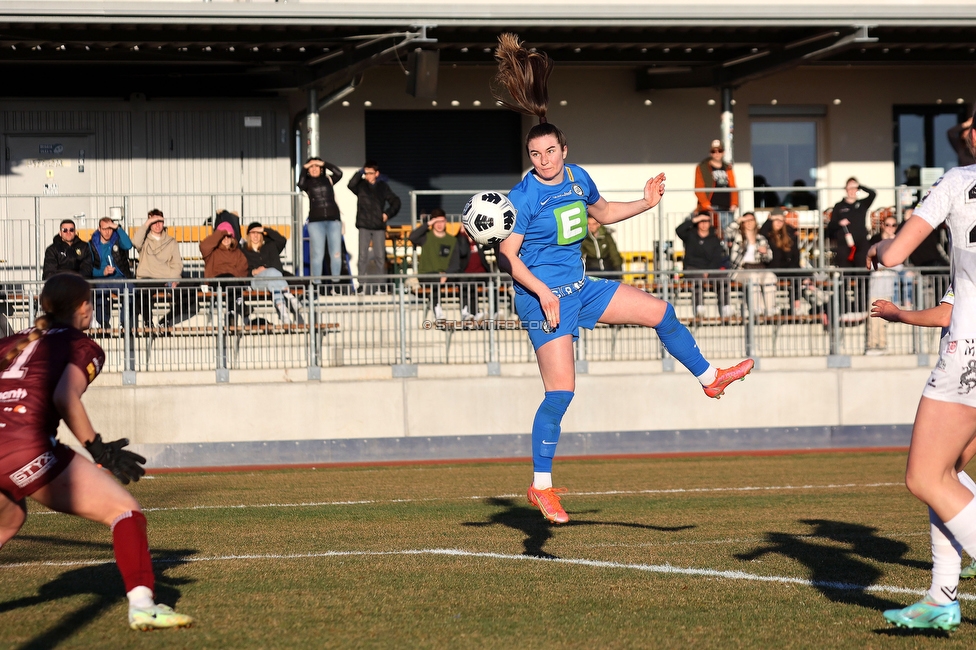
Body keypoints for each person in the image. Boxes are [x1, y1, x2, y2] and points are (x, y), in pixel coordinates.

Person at [492, 33, 753, 525]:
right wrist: (544, 292)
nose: (543, 159)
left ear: (564, 149)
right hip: (542, 299)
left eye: (550, 151)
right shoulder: (523, 197)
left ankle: (710, 379)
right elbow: (509, 257)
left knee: (660, 311)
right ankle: (541, 486)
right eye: (535, 153)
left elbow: (605, 211)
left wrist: (646, 202)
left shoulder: (577, 178)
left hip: (581, 289)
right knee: (561, 393)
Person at [0, 273, 193, 631]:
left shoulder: (12, 341)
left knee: (9, 519)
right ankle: (143, 605)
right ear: (84, 307)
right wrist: (99, 450)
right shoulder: (81, 344)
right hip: (23, 446)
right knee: (125, 511)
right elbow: (63, 396)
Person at [867, 113, 976, 632]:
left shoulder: (958, 181)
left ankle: (943, 593)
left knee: (923, 476)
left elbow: (895, 253)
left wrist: (879, 249)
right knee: (948, 472)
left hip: (969, 349)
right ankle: (942, 593)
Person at [131, 209, 193, 331]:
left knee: (191, 293)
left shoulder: (171, 241)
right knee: (142, 292)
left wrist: (175, 280)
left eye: (160, 221)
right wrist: (146, 224)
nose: (157, 225)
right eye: (154, 221)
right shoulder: (144, 240)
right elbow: (134, 242)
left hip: (166, 278)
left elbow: (177, 264)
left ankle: (165, 321)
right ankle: (148, 322)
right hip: (147, 277)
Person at [347, 160, 401, 291]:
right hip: (364, 225)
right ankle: (361, 284)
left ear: (377, 173)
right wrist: (359, 172)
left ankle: (381, 285)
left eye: (370, 173)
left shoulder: (383, 187)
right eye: (366, 173)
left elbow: (396, 201)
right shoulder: (360, 185)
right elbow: (350, 185)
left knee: (379, 256)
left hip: (378, 226)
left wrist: (387, 214)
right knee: (362, 256)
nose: (368, 176)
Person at [827, 177, 876, 317]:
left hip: (861, 245)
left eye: (855, 188)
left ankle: (861, 306)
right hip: (845, 246)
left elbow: (873, 194)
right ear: (845, 190)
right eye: (850, 188)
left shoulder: (862, 204)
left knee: (862, 275)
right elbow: (831, 226)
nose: (852, 191)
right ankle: (844, 307)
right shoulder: (839, 206)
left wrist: (860, 185)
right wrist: (839, 223)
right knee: (845, 277)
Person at [242, 221, 303, 325]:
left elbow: (282, 240)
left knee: (272, 282)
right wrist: (254, 271)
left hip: (272, 282)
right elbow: (241, 270)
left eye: (258, 233)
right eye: (253, 233)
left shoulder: (270, 245)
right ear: (248, 235)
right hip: (256, 282)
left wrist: (265, 229)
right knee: (273, 271)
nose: (256, 235)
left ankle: (284, 316)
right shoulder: (243, 250)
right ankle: (289, 296)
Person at [675, 211, 732, 317]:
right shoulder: (690, 235)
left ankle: (726, 307)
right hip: (693, 267)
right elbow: (679, 230)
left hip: (710, 269)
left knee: (723, 277)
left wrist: (708, 271)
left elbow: (717, 258)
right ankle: (699, 308)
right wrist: (693, 220)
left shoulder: (714, 238)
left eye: (706, 221)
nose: (704, 224)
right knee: (697, 278)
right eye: (701, 221)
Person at [297, 157, 344, 283]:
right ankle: (316, 283)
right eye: (311, 167)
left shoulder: (328, 179)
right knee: (317, 254)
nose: (314, 169)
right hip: (315, 222)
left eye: (316, 166)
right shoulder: (307, 183)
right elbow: (300, 184)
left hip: (333, 220)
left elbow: (339, 173)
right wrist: (304, 167)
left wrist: (324, 163)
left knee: (336, 253)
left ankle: (336, 282)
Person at [408, 209, 461, 320]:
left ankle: (468, 311)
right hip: (426, 275)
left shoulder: (452, 240)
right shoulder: (426, 237)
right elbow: (412, 237)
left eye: (441, 221)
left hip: (446, 276)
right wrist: (428, 224)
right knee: (435, 280)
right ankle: (438, 311)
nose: (439, 224)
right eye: (436, 221)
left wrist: (446, 274)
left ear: (446, 221)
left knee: (465, 279)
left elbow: (455, 263)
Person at [726, 212, 778, 317]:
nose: (749, 223)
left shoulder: (761, 238)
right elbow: (727, 231)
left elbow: (769, 257)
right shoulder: (737, 236)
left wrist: (765, 253)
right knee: (753, 278)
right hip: (741, 269)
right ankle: (757, 309)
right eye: (746, 221)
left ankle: (770, 309)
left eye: (751, 220)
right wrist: (737, 221)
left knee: (771, 277)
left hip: (759, 268)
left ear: (755, 222)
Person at [200, 222, 250, 325]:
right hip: (216, 282)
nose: (226, 239)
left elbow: (243, 269)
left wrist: (231, 273)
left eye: (229, 236)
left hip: (233, 282)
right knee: (229, 279)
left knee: (231, 281)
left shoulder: (237, 253)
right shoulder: (212, 252)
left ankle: (230, 314)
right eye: (223, 236)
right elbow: (203, 246)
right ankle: (240, 304)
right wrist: (221, 233)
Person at [89, 216, 134, 331]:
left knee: (130, 289)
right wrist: (102, 272)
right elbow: (88, 267)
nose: (108, 232)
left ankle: (124, 322)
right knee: (99, 291)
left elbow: (129, 245)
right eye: (104, 229)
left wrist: (118, 228)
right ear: (99, 229)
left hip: (118, 278)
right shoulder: (92, 245)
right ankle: (103, 322)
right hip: (101, 278)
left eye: (110, 228)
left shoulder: (117, 240)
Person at [694, 139, 738, 231]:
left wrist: (734, 203)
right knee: (713, 233)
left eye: (719, 151)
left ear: (723, 153)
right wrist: (706, 204)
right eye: (714, 151)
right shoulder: (702, 167)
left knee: (727, 234)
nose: (717, 153)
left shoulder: (728, 168)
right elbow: (699, 187)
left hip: (727, 208)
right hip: (711, 208)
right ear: (710, 153)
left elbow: (733, 186)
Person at [456, 221, 492, 321]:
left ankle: (494, 311)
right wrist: (463, 235)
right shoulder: (459, 240)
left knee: (494, 284)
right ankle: (470, 312)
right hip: (467, 274)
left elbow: (490, 245)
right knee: (469, 286)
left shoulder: (478, 240)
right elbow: (462, 251)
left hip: (482, 273)